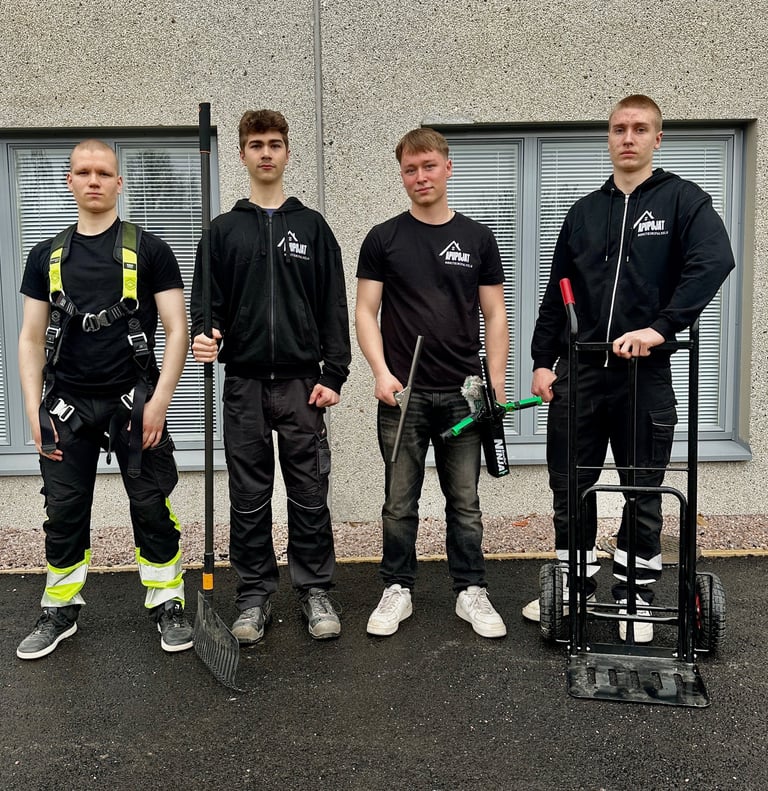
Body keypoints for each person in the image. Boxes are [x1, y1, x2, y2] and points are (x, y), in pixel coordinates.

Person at [522, 95, 735, 642]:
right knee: (571, 486)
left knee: (642, 489)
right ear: (609, 137)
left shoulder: (682, 200)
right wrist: (542, 361)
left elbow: (714, 261)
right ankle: (573, 588)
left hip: (645, 375)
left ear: (657, 139)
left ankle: (634, 597)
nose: (628, 138)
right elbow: (557, 291)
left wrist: (661, 328)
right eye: (619, 129)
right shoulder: (584, 211)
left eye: (640, 129)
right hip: (580, 372)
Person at [17, 139, 192, 659]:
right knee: (64, 511)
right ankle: (59, 609)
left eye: (103, 172)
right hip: (65, 406)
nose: (93, 180)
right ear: (69, 181)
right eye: (83, 172)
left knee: (152, 505)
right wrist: (32, 410)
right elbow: (30, 338)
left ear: (119, 182)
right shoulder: (45, 256)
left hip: (134, 402)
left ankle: (167, 601)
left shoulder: (151, 250)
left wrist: (161, 401)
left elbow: (177, 329)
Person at [190, 110, 350, 644]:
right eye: (256, 144)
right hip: (244, 383)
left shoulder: (313, 227)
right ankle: (254, 595)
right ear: (241, 154)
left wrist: (335, 373)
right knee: (249, 497)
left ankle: (314, 589)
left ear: (287, 152)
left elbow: (332, 306)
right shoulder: (222, 231)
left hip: (304, 384)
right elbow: (206, 306)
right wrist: (205, 335)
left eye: (274, 143)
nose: (265, 152)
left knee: (309, 492)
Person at [356, 127, 509, 639]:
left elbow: (496, 315)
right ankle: (397, 588)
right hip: (404, 395)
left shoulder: (478, 238)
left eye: (428, 166)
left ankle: (471, 590)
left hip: (464, 393)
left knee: (464, 501)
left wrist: (495, 384)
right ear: (401, 175)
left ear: (447, 167)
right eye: (410, 169)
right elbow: (366, 311)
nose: (420, 177)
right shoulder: (384, 238)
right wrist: (381, 373)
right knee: (399, 502)